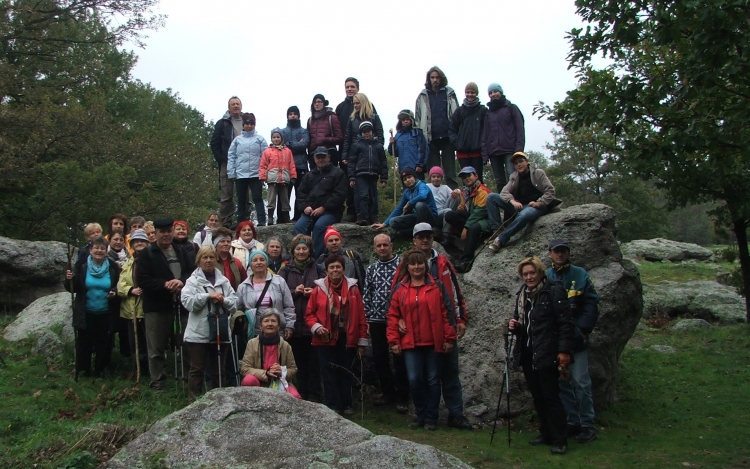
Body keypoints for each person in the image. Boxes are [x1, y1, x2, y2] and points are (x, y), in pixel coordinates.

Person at [509, 256, 574, 455]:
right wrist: (515, 326)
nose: (529, 277)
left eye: (532, 273)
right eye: (525, 274)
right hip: (529, 352)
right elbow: (523, 322)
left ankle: (560, 439)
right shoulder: (522, 294)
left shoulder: (554, 290)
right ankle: (545, 433)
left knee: (551, 396)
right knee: (537, 397)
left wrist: (564, 351)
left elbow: (565, 324)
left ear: (540, 273)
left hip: (548, 351)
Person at [411, 223, 472, 430]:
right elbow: (397, 294)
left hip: (445, 324)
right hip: (420, 330)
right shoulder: (408, 263)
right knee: (424, 375)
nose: (425, 240)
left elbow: (455, 291)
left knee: (450, 371)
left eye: (428, 236)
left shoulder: (444, 263)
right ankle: (428, 415)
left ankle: (456, 414)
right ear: (414, 240)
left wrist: (461, 319)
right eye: (420, 237)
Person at [387, 249, 456, 431]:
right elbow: (393, 315)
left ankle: (432, 417)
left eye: (420, 263)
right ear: (407, 267)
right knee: (415, 379)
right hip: (410, 343)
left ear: (425, 266)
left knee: (433, 380)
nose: (416, 267)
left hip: (434, 341)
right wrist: (394, 340)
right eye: (413, 264)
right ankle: (420, 414)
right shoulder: (400, 289)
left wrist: (449, 338)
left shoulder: (437, 286)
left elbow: (447, 313)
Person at [546, 239, 600, 443]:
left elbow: (591, 306)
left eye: (563, 251)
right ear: (549, 253)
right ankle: (572, 421)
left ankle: (588, 424)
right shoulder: (546, 275)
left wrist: (582, 331)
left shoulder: (580, 275)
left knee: (581, 382)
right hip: (556, 341)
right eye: (556, 251)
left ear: (568, 253)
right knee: (562, 384)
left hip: (577, 340)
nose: (560, 255)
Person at [305, 254, 367, 415]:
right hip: (325, 337)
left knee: (345, 371)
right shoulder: (318, 290)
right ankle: (332, 406)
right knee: (328, 372)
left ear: (344, 269)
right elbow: (309, 315)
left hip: (347, 336)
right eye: (331, 267)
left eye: (338, 267)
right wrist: (317, 327)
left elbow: (360, 315)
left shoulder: (354, 289)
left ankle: (346, 404)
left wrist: (362, 341)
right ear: (326, 270)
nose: (335, 270)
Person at [135, 218, 194, 390]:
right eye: (162, 232)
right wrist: (164, 284)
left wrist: (181, 282)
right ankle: (157, 383)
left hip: (181, 305)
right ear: (156, 234)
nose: (166, 235)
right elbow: (143, 279)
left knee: (185, 344)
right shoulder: (147, 253)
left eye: (169, 231)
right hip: (156, 307)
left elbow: (192, 272)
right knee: (156, 348)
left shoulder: (181, 251)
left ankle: (187, 380)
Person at [181, 245, 238, 400]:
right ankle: (194, 402)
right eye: (204, 257)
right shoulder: (192, 281)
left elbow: (234, 303)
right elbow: (188, 303)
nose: (208, 261)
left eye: (211, 257)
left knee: (219, 370)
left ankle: (217, 401)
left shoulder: (223, 280)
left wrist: (223, 300)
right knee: (197, 369)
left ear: (216, 260)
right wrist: (207, 296)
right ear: (199, 261)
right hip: (198, 332)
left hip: (221, 330)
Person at [363, 233, 409, 413]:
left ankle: (403, 396)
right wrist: (366, 319)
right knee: (380, 358)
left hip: (398, 320)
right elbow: (366, 295)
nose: (382, 248)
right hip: (376, 320)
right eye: (379, 246)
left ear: (391, 246)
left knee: (400, 358)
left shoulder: (402, 266)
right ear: (374, 249)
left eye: (385, 245)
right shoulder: (371, 269)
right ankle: (388, 393)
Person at [65, 236, 121, 378]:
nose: (99, 250)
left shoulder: (113, 267)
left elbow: (119, 285)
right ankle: (83, 371)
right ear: (90, 250)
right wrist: (69, 279)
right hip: (86, 311)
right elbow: (74, 288)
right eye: (96, 248)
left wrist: (114, 291)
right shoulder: (81, 266)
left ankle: (101, 370)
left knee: (104, 343)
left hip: (106, 312)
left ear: (106, 251)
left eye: (102, 248)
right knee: (84, 343)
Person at [279, 234, 325, 401]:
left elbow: (327, 292)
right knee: (297, 365)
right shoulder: (285, 270)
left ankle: (315, 396)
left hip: (313, 325)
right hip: (294, 325)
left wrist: (315, 292)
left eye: (304, 248)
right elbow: (279, 294)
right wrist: (294, 292)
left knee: (314, 364)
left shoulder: (319, 269)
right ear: (292, 251)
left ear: (310, 250)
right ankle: (301, 395)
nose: (301, 251)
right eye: (298, 249)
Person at [487, 152, 559, 252]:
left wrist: (539, 203)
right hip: (520, 205)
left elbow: (550, 191)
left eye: (521, 161)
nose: (519, 165)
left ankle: (501, 239)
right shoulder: (514, 176)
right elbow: (504, 191)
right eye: (516, 163)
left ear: (527, 161)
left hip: (536, 206)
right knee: (491, 197)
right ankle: (497, 230)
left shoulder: (538, 173)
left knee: (524, 215)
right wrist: (512, 201)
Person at [293, 147, 348, 258]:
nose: (321, 159)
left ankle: (316, 258)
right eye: (318, 157)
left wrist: (324, 207)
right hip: (310, 212)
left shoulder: (338, 173)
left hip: (330, 212)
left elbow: (339, 194)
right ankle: (302, 256)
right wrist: (305, 207)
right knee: (299, 227)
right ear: (314, 158)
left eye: (323, 157)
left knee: (320, 227)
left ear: (329, 157)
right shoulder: (309, 175)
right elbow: (301, 194)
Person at [240, 309, 301, 399]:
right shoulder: (252, 343)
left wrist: (282, 371)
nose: (270, 324)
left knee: (296, 397)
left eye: (273, 321)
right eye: (266, 321)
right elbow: (245, 369)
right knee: (248, 380)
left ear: (278, 326)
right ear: (261, 326)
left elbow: (293, 369)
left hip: (280, 383)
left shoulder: (286, 345)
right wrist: (266, 373)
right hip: (259, 382)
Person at [415, 66, 460, 189]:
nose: (435, 80)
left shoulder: (449, 93)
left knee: (450, 173)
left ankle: (455, 203)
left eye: (437, 77)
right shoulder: (422, 96)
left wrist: (455, 134)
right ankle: (434, 204)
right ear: (429, 79)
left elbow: (457, 114)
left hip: (447, 138)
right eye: (432, 77)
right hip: (430, 138)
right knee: (433, 173)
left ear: (441, 78)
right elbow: (418, 119)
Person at [236, 250, 295, 340]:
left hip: (277, 330)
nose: (259, 262)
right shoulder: (243, 287)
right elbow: (238, 309)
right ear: (251, 265)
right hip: (254, 332)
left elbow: (289, 306)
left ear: (267, 263)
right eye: (255, 260)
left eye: (262, 259)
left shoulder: (279, 281)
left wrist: (289, 326)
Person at [444, 166, 493, 273]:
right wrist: (461, 208)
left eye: (469, 175)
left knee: (473, 227)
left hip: (487, 221)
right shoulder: (467, 191)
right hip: (474, 217)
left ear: (476, 176)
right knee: (449, 215)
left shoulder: (482, 191)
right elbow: (468, 209)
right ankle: (460, 236)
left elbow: (479, 213)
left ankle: (466, 261)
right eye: (464, 177)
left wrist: (466, 228)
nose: (466, 179)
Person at [117, 228, 150, 377]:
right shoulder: (128, 263)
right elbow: (120, 285)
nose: (139, 243)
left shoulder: (152, 259)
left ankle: (150, 372)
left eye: (142, 241)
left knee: (149, 343)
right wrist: (131, 290)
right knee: (135, 344)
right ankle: (138, 371)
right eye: (136, 241)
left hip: (147, 308)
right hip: (131, 310)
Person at [481, 83, 525, 192]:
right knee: (500, 181)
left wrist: (519, 149)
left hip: (510, 150)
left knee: (513, 177)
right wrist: (485, 155)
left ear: (501, 92)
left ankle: (518, 204)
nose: (493, 94)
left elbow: (520, 129)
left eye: (495, 91)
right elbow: (485, 134)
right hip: (494, 152)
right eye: (490, 93)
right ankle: (505, 206)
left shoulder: (511, 108)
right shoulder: (488, 113)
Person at [372, 168, 438, 238]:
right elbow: (399, 208)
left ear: (414, 177)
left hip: (430, 217)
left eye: (409, 177)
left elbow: (423, 195)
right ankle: (411, 232)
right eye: (405, 179)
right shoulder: (407, 192)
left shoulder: (422, 185)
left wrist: (409, 203)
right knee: (393, 221)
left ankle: (418, 232)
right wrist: (384, 223)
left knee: (419, 205)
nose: (408, 180)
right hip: (416, 217)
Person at [228, 112, 269, 226]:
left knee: (257, 198)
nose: (249, 126)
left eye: (252, 123)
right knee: (241, 200)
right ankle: (240, 222)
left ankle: (261, 221)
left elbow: (266, 157)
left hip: (256, 174)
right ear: (243, 124)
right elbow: (231, 156)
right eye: (247, 123)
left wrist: (264, 173)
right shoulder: (237, 140)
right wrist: (231, 172)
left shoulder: (260, 139)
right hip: (240, 174)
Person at [210, 96, 243, 228]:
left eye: (237, 104)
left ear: (241, 106)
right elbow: (214, 143)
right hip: (227, 162)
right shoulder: (223, 123)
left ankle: (243, 220)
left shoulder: (247, 121)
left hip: (244, 163)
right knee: (226, 194)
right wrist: (222, 159)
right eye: (233, 104)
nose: (235, 106)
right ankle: (226, 222)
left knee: (244, 193)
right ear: (229, 107)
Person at [348, 121, 388, 225]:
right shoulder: (356, 146)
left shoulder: (378, 146)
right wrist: (351, 177)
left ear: (372, 132)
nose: (367, 133)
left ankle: (373, 216)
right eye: (364, 132)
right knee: (363, 195)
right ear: (361, 133)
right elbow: (351, 162)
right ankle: (362, 216)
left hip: (374, 174)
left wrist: (384, 178)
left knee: (373, 196)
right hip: (360, 174)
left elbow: (383, 162)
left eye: (368, 131)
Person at [449, 82, 487, 181]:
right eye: (468, 92)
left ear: (476, 93)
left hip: (477, 152)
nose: (470, 94)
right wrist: (458, 143)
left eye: (472, 92)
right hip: (462, 152)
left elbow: (488, 129)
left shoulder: (482, 111)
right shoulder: (459, 111)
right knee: (466, 180)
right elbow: (452, 129)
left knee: (478, 179)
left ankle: (480, 197)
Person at [260, 127, 297, 225]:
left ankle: (286, 217)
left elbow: (291, 165)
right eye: (274, 137)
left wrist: (293, 176)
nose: (276, 139)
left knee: (285, 199)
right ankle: (270, 218)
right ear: (271, 139)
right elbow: (263, 165)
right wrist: (263, 177)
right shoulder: (267, 151)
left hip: (284, 178)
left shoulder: (287, 151)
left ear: (281, 138)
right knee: (271, 199)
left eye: (278, 137)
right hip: (272, 179)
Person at [280, 106, 310, 221]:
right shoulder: (282, 131)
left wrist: (290, 144)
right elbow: (281, 146)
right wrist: (296, 143)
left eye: (295, 114)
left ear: (298, 115)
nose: (293, 116)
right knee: (284, 194)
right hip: (285, 167)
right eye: (290, 114)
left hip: (300, 165)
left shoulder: (304, 131)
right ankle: (283, 217)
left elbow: (305, 144)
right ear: (287, 116)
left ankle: (298, 216)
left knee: (300, 193)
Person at [388, 109, 428, 178]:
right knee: (406, 189)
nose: (405, 121)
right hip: (404, 170)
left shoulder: (417, 133)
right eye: (403, 120)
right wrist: (392, 144)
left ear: (411, 120)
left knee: (420, 188)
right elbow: (394, 153)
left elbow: (423, 149)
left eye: (407, 119)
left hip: (416, 169)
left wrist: (420, 164)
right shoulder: (398, 135)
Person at [307, 94, 344, 166]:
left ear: (324, 103)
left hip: (329, 153)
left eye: (319, 102)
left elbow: (339, 138)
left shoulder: (332, 117)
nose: (317, 104)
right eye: (315, 102)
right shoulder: (310, 120)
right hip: (314, 155)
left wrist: (324, 139)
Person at [210, 227, 247, 292]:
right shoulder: (210, 262)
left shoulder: (237, 262)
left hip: (235, 299)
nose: (226, 244)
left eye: (228, 241)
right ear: (215, 244)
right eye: (222, 241)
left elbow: (245, 282)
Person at [427, 166, 456, 239]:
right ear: (430, 178)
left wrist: (457, 191)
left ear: (441, 178)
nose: (436, 178)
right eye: (433, 176)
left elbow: (453, 195)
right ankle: (445, 235)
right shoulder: (427, 186)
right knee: (448, 211)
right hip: (433, 212)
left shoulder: (445, 187)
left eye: (438, 176)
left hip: (443, 209)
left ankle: (452, 217)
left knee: (455, 195)